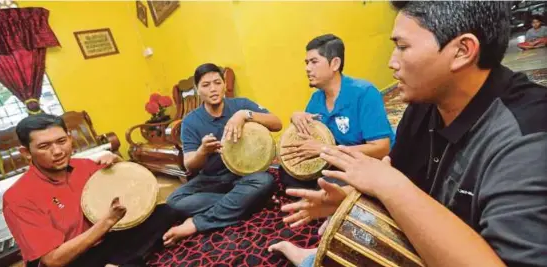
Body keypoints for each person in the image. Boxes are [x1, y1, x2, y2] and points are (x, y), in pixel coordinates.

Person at [270, 2, 547, 267]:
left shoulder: (529, 138)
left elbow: (392, 177)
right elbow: (398, 174)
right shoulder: (423, 105)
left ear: (463, 50)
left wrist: (391, 186)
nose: (392, 62)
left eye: (402, 47)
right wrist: (345, 199)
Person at [3, 114, 178, 267]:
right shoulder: (18, 197)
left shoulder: (85, 166)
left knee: (166, 212)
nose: (57, 151)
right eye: (44, 146)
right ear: (26, 152)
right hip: (70, 259)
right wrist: (108, 221)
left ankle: (119, 261)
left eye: (62, 141)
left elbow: (129, 185)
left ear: (70, 138)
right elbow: (53, 260)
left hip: (103, 241)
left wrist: (117, 162)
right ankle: (128, 259)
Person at [163, 63, 283, 246]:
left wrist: (245, 115)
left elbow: (277, 123)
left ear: (223, 84)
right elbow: (189, 164)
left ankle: (197, 223)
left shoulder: (240, 104)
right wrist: (203, 151)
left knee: (265, 181)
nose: (213, 89)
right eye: (205, 85)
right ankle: (250, 202)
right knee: (173, 201)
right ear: (197, 89)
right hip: (212, 180)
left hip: (245, 177)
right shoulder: (190, 121)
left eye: (217, 82)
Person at [281, 34, 394, 188]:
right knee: (287, 174)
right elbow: (309, 140)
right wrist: (296, 117)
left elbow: (381, 148)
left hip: (369, 166)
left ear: (334, 64)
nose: (307, 68)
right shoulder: (316, 99)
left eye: (314, 62)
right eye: (307, 63)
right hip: (337, 162)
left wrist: (326, 150)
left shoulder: (364, 93)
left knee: (328, 185)